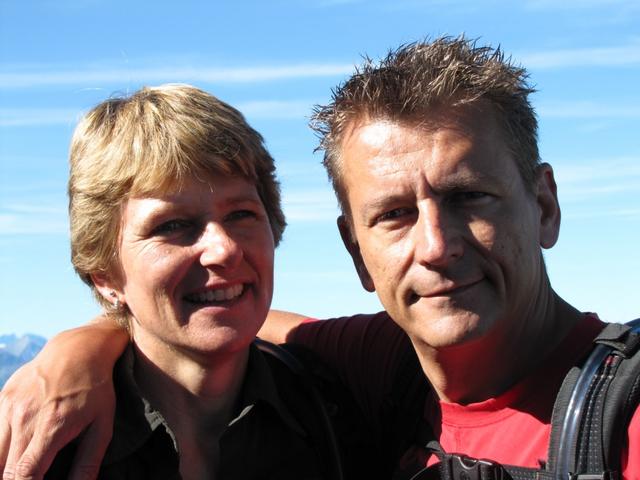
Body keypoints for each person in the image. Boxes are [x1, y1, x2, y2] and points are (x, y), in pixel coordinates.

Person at [1, 37, 639, 480]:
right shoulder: (369, 381)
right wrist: (84, 345)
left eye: (469, 197)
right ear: (356, 252)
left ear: (544, 205)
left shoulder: (622, 417)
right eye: (394, 214)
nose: (436, 246)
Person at [0, 83, 351, 479]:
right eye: (172, 225)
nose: (224, 249)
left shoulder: (338, 415)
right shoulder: (43, 444)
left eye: (241, 214)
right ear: (104, 274)